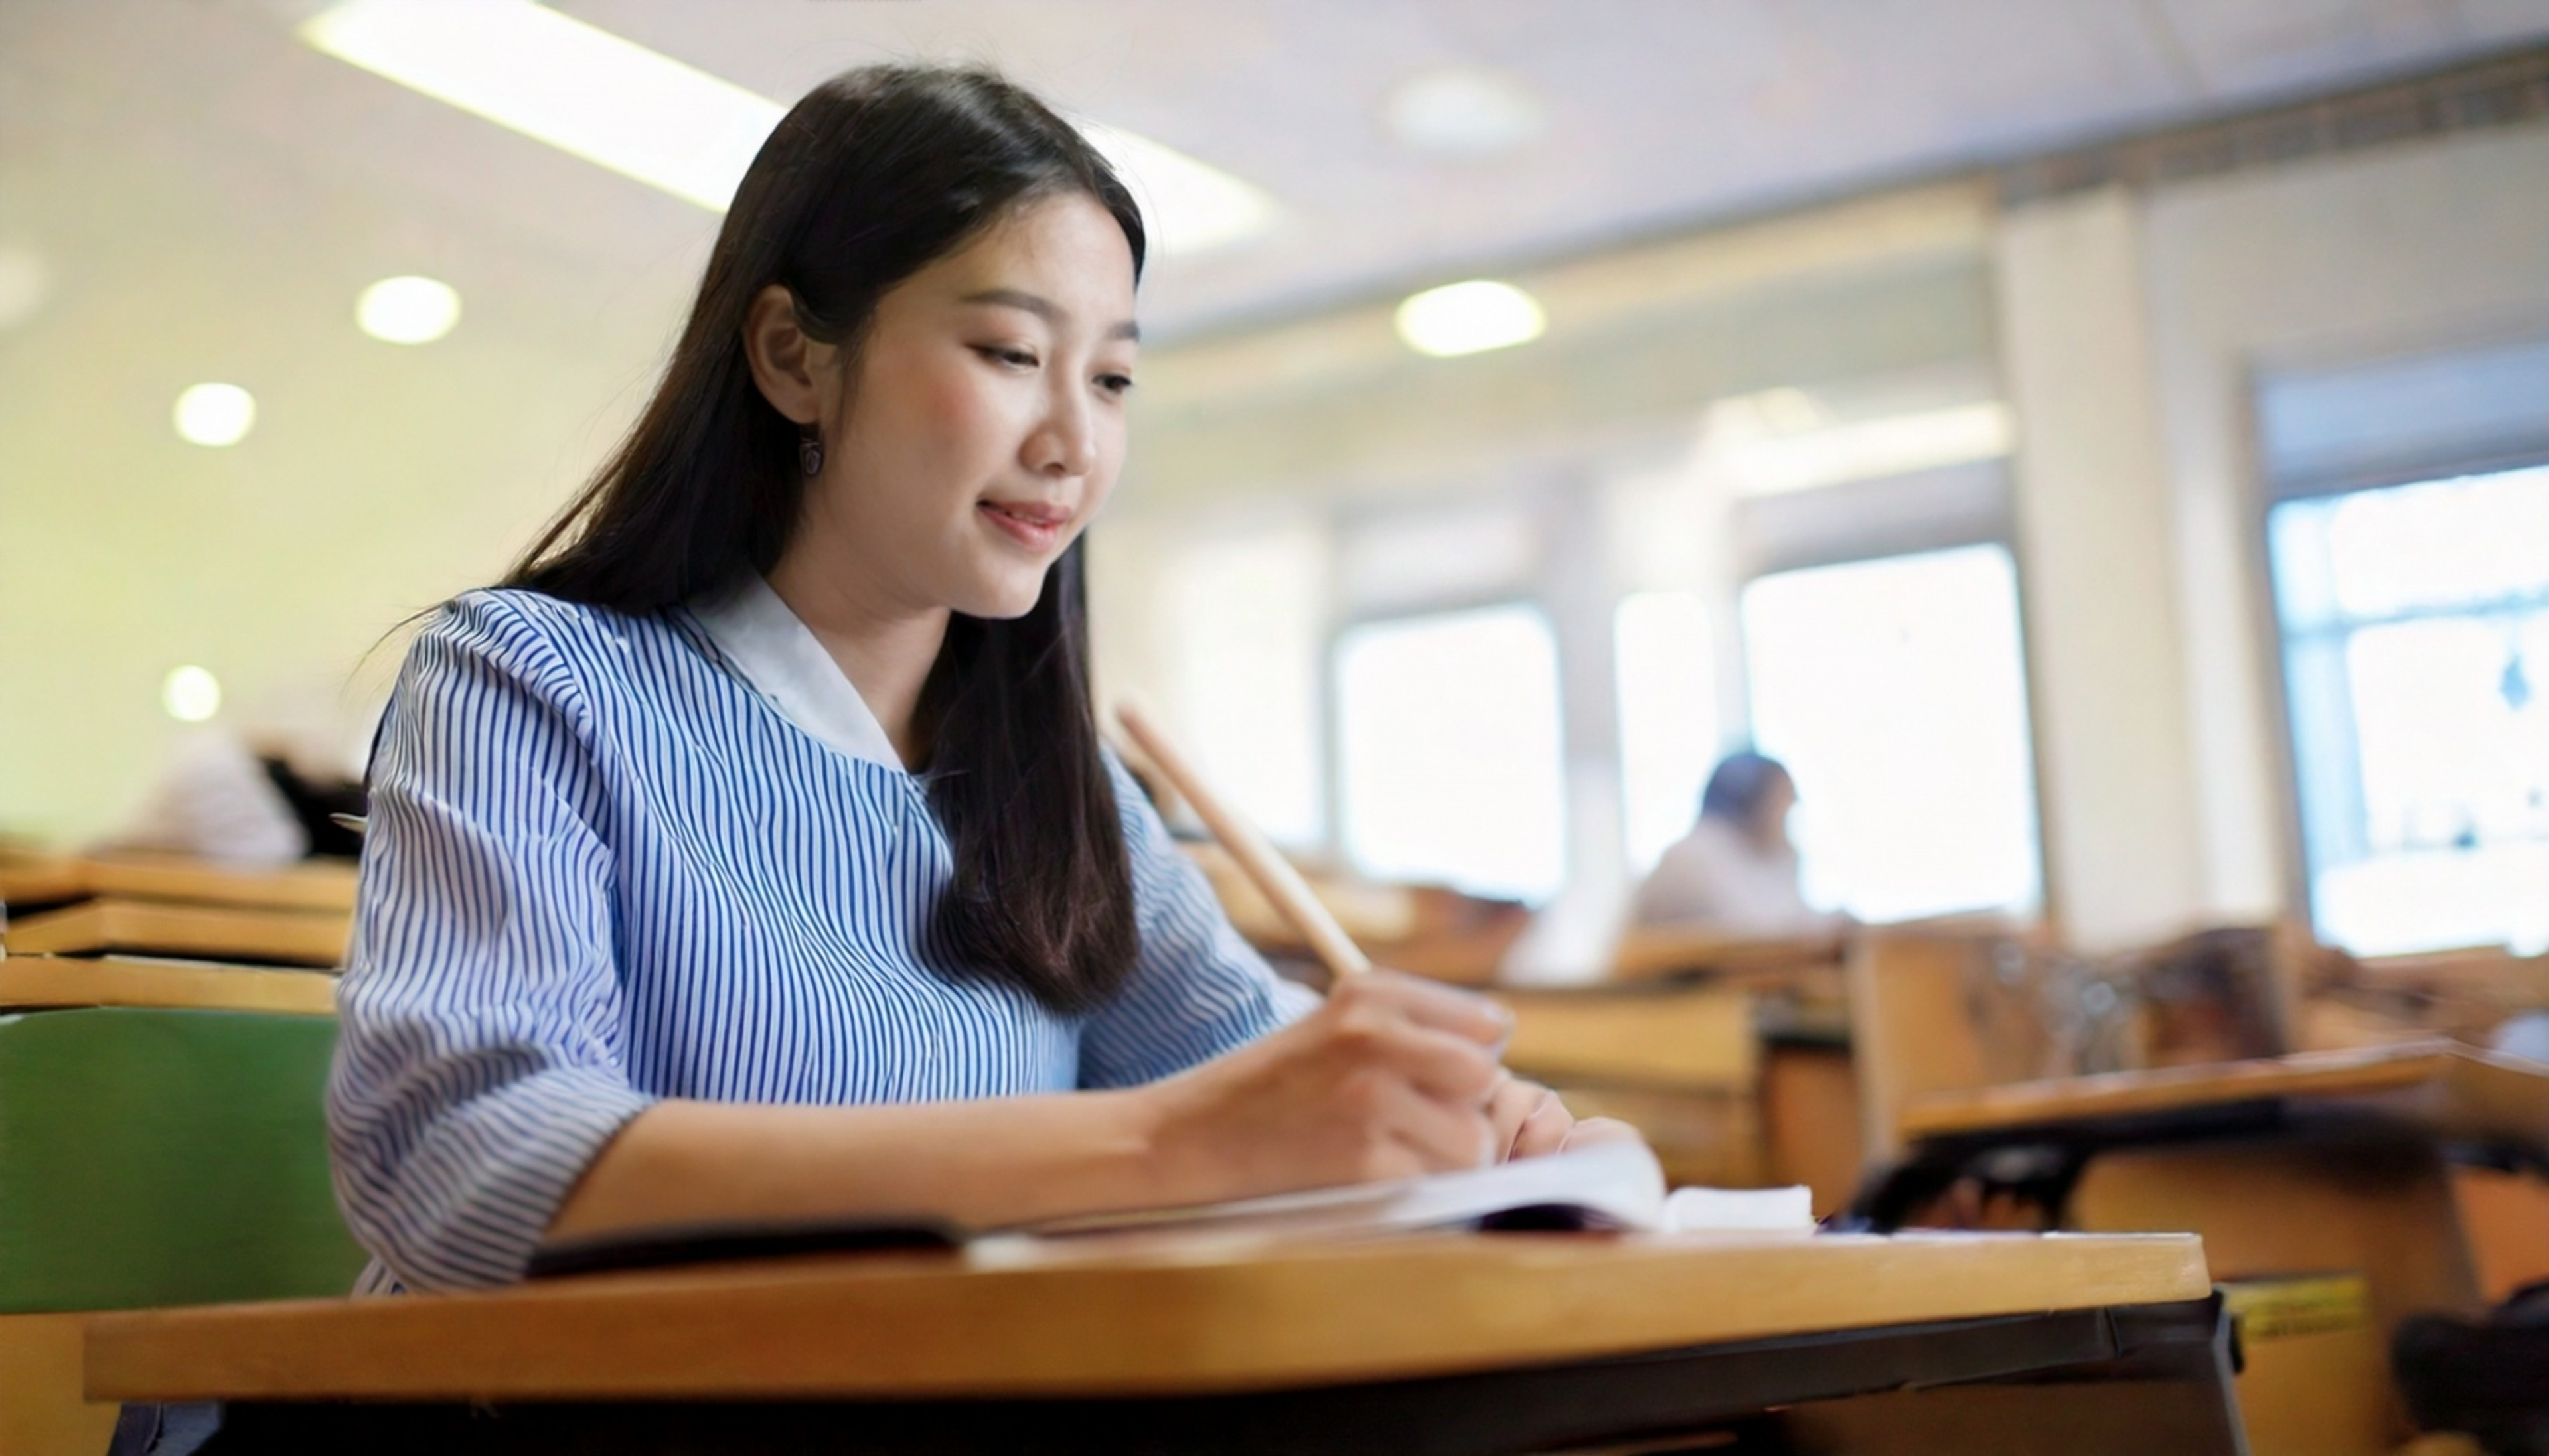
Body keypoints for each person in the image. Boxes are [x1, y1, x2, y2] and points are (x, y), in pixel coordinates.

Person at [329, 65, 1624, 1293]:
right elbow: (455, 1158)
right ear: (793, 357)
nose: (1073, 442)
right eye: (1011, 353)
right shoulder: (525, 680)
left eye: (1111, 378)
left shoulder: (1058, 788)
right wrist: (1158, 1147)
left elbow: (1254, 1085)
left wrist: (1439, 1130)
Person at [1628, 752, 1838, 936]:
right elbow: (1754, 930)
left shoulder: (1771, 856)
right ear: (1751, 797)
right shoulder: (1695, 854)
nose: (1786, 814)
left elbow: (1794, 917)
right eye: (1781, 800)